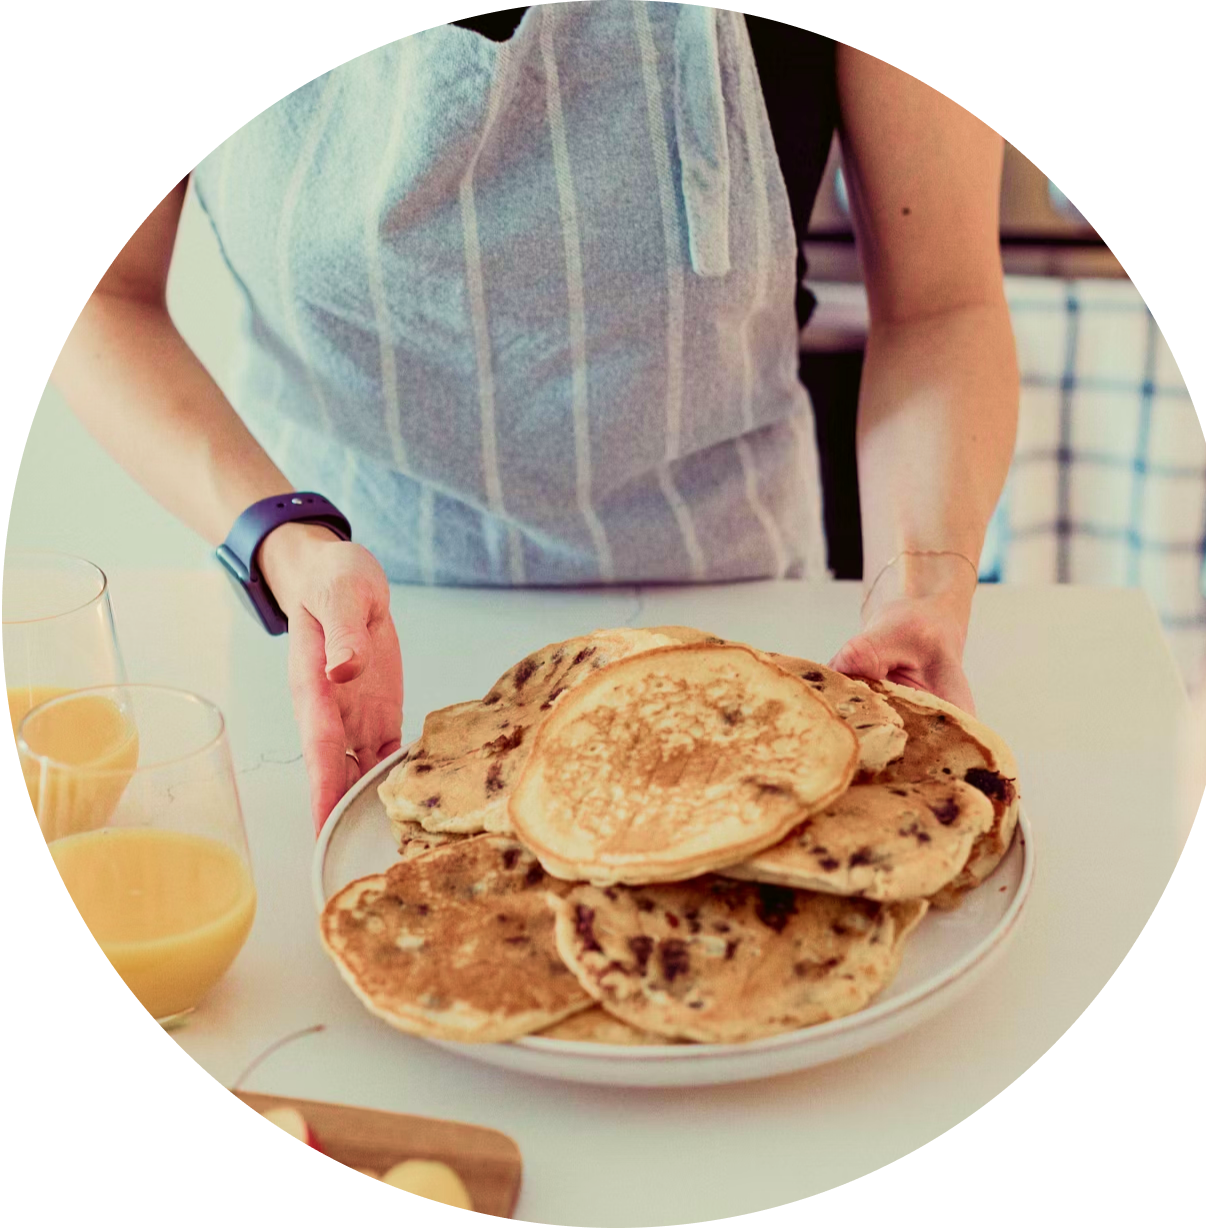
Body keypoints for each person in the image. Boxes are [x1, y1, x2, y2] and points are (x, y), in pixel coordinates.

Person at [49, 9, 1018, 832]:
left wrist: (922, 585)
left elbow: (940, 307)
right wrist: (282, 540)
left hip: (739, 620)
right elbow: (107, 299)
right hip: (327, 637)